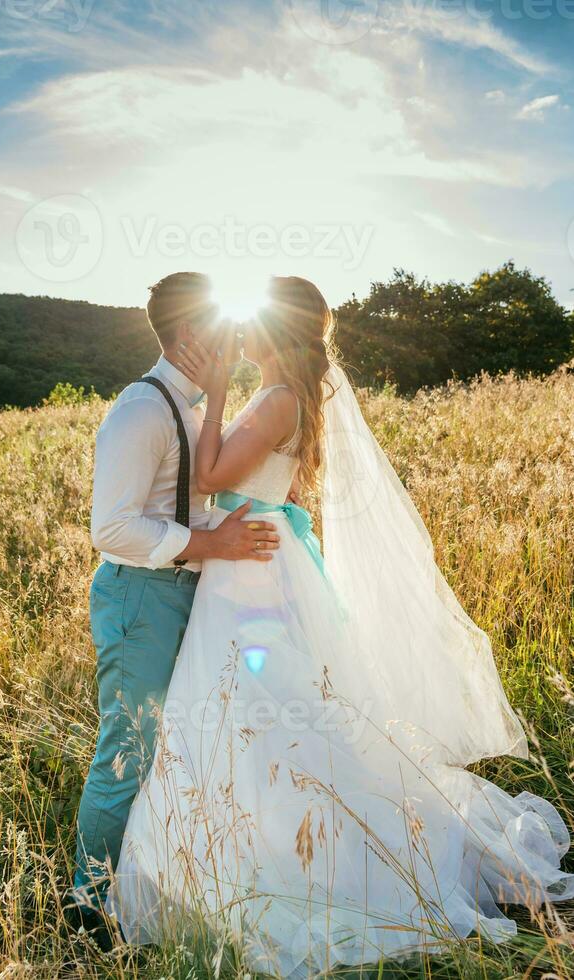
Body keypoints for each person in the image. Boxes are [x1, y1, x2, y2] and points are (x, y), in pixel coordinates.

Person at [108, 275, 573, 976]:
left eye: (256, 318)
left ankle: (293, 852)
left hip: (248, 568)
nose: (243, 329)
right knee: (264, 708)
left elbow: (207, 479)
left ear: (277, 330)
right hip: (260, 557)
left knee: (253, 707)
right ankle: (263, 837)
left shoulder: (273, 399)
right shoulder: (292, 396)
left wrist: (219, 397)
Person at [71, 272, 282, 946]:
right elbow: (113, 528)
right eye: (222, 324)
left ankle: (147, 892)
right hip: (140, 596)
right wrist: (210, 541)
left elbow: (185, 503)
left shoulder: (192, 409)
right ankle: (85, 915)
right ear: (191, 334)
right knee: (125, 755)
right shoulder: (142, 408)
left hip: (182, 592)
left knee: (170, 748)